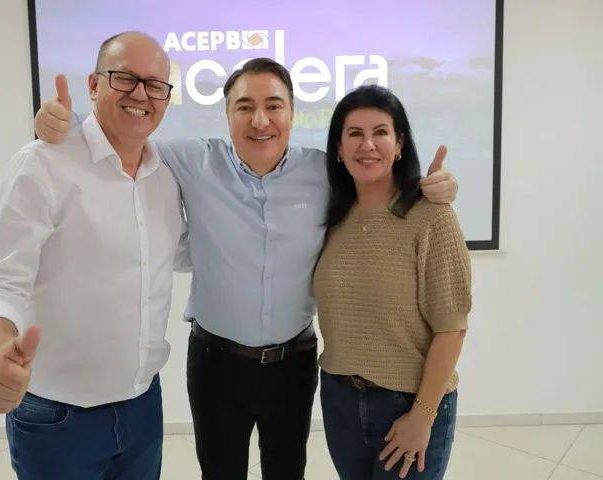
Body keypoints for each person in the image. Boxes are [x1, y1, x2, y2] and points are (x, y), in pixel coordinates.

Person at [35, 57, 458, 480]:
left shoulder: (326, 172)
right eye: (245, 107)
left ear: (292, 113)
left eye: (274, 106)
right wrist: (63, 125)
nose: (260, 120)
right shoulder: (191, 161)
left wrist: (435, 187)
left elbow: (381, 178)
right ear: (227, 115)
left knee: (287, 471)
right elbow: (120, 138)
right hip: (215, 361)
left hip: (293, 361)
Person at [0, 32, 187, 480]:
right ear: (94, 85)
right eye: (124, 78)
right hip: (57, 417)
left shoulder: (165, 178)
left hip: (143, 406)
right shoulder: (44, 163)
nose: (140, 94)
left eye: (155, 85)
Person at [313, 84, 471, 480]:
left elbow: (452, 328)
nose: (367, 145)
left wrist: (423, 415)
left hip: (410, 403)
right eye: (355, 133)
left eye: (380, 132)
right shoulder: (332, 217)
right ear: (339, 148)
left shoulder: (431, 215)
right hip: (340, 399)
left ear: (399, 144)